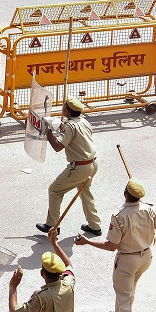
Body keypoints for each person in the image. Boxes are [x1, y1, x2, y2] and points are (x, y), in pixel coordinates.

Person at [75, 178, 156, 312]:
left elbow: (111, 245)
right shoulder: (150, 209)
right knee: (126, 291)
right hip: (146, 257)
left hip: (127, 261)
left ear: (125, 194)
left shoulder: (119, 216)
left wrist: (87, 241)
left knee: (126, 300)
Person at [36, 97, 101, 236]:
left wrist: (48, 132)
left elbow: (58, 146)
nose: (62, 109)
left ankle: (52, 225)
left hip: (79, 168)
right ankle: (95, 225)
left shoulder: (69, 126)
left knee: (54, 190)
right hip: (93, 164)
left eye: (64, 107)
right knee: (85, 191)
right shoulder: (84, 121)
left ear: (67, 111)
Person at [9, 229, 75, 312]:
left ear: (42, 273)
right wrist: (54, 243)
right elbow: (69, 265)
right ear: (60, 273)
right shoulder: (68, 283)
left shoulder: (40, 297)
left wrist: (13, 287)